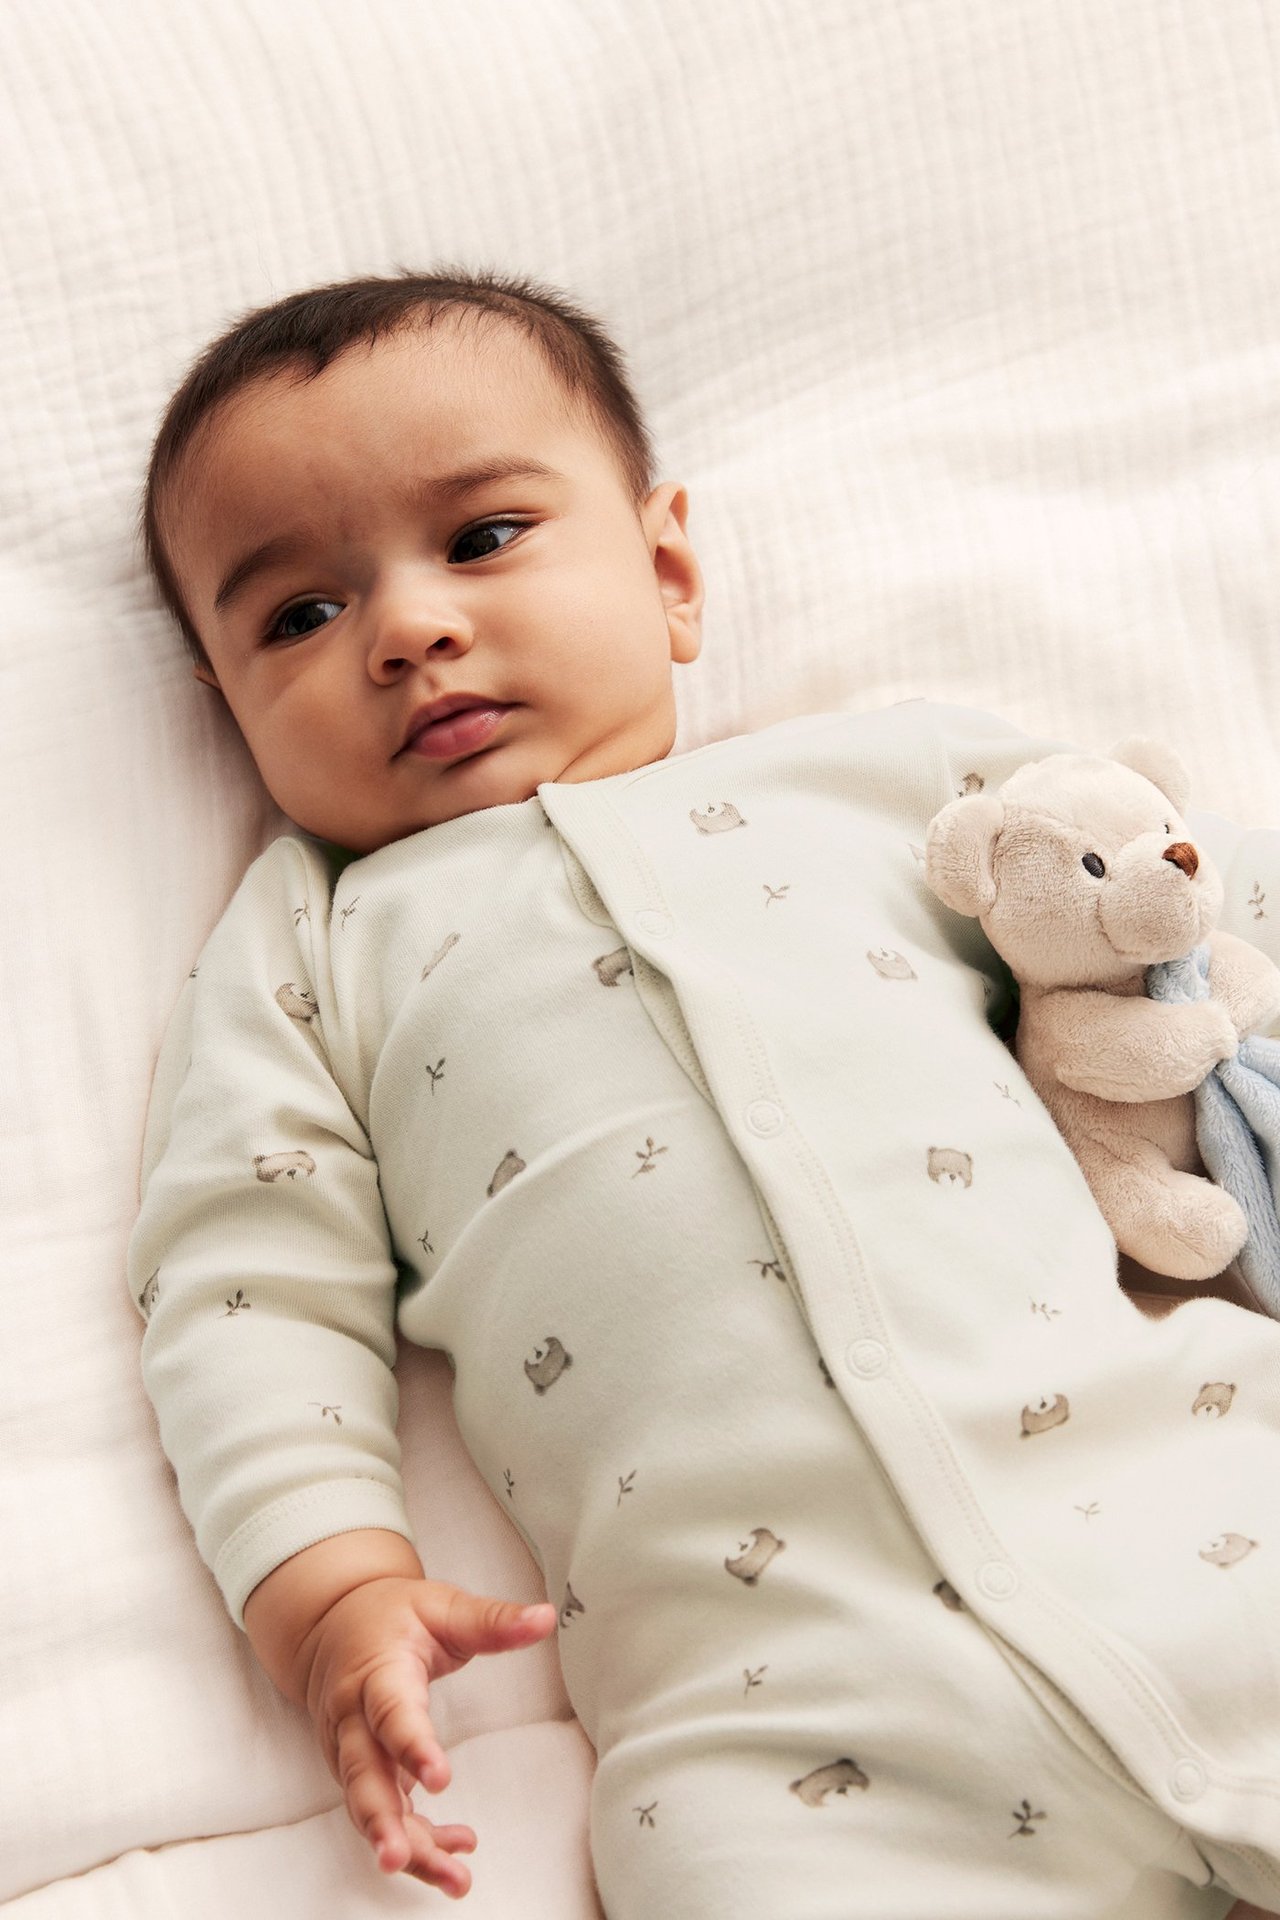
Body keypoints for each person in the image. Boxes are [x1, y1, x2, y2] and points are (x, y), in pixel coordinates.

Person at [128, 268, 1280, 1919]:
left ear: (668, 570)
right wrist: (323, 1595)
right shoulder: (313, 944)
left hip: (1195, 1495)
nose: (406, 629)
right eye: (297, 616)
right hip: (785, 1710)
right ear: (226, 709)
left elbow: (1185, 886)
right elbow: (240, 1278)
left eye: (481, 540)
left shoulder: (887, 780)